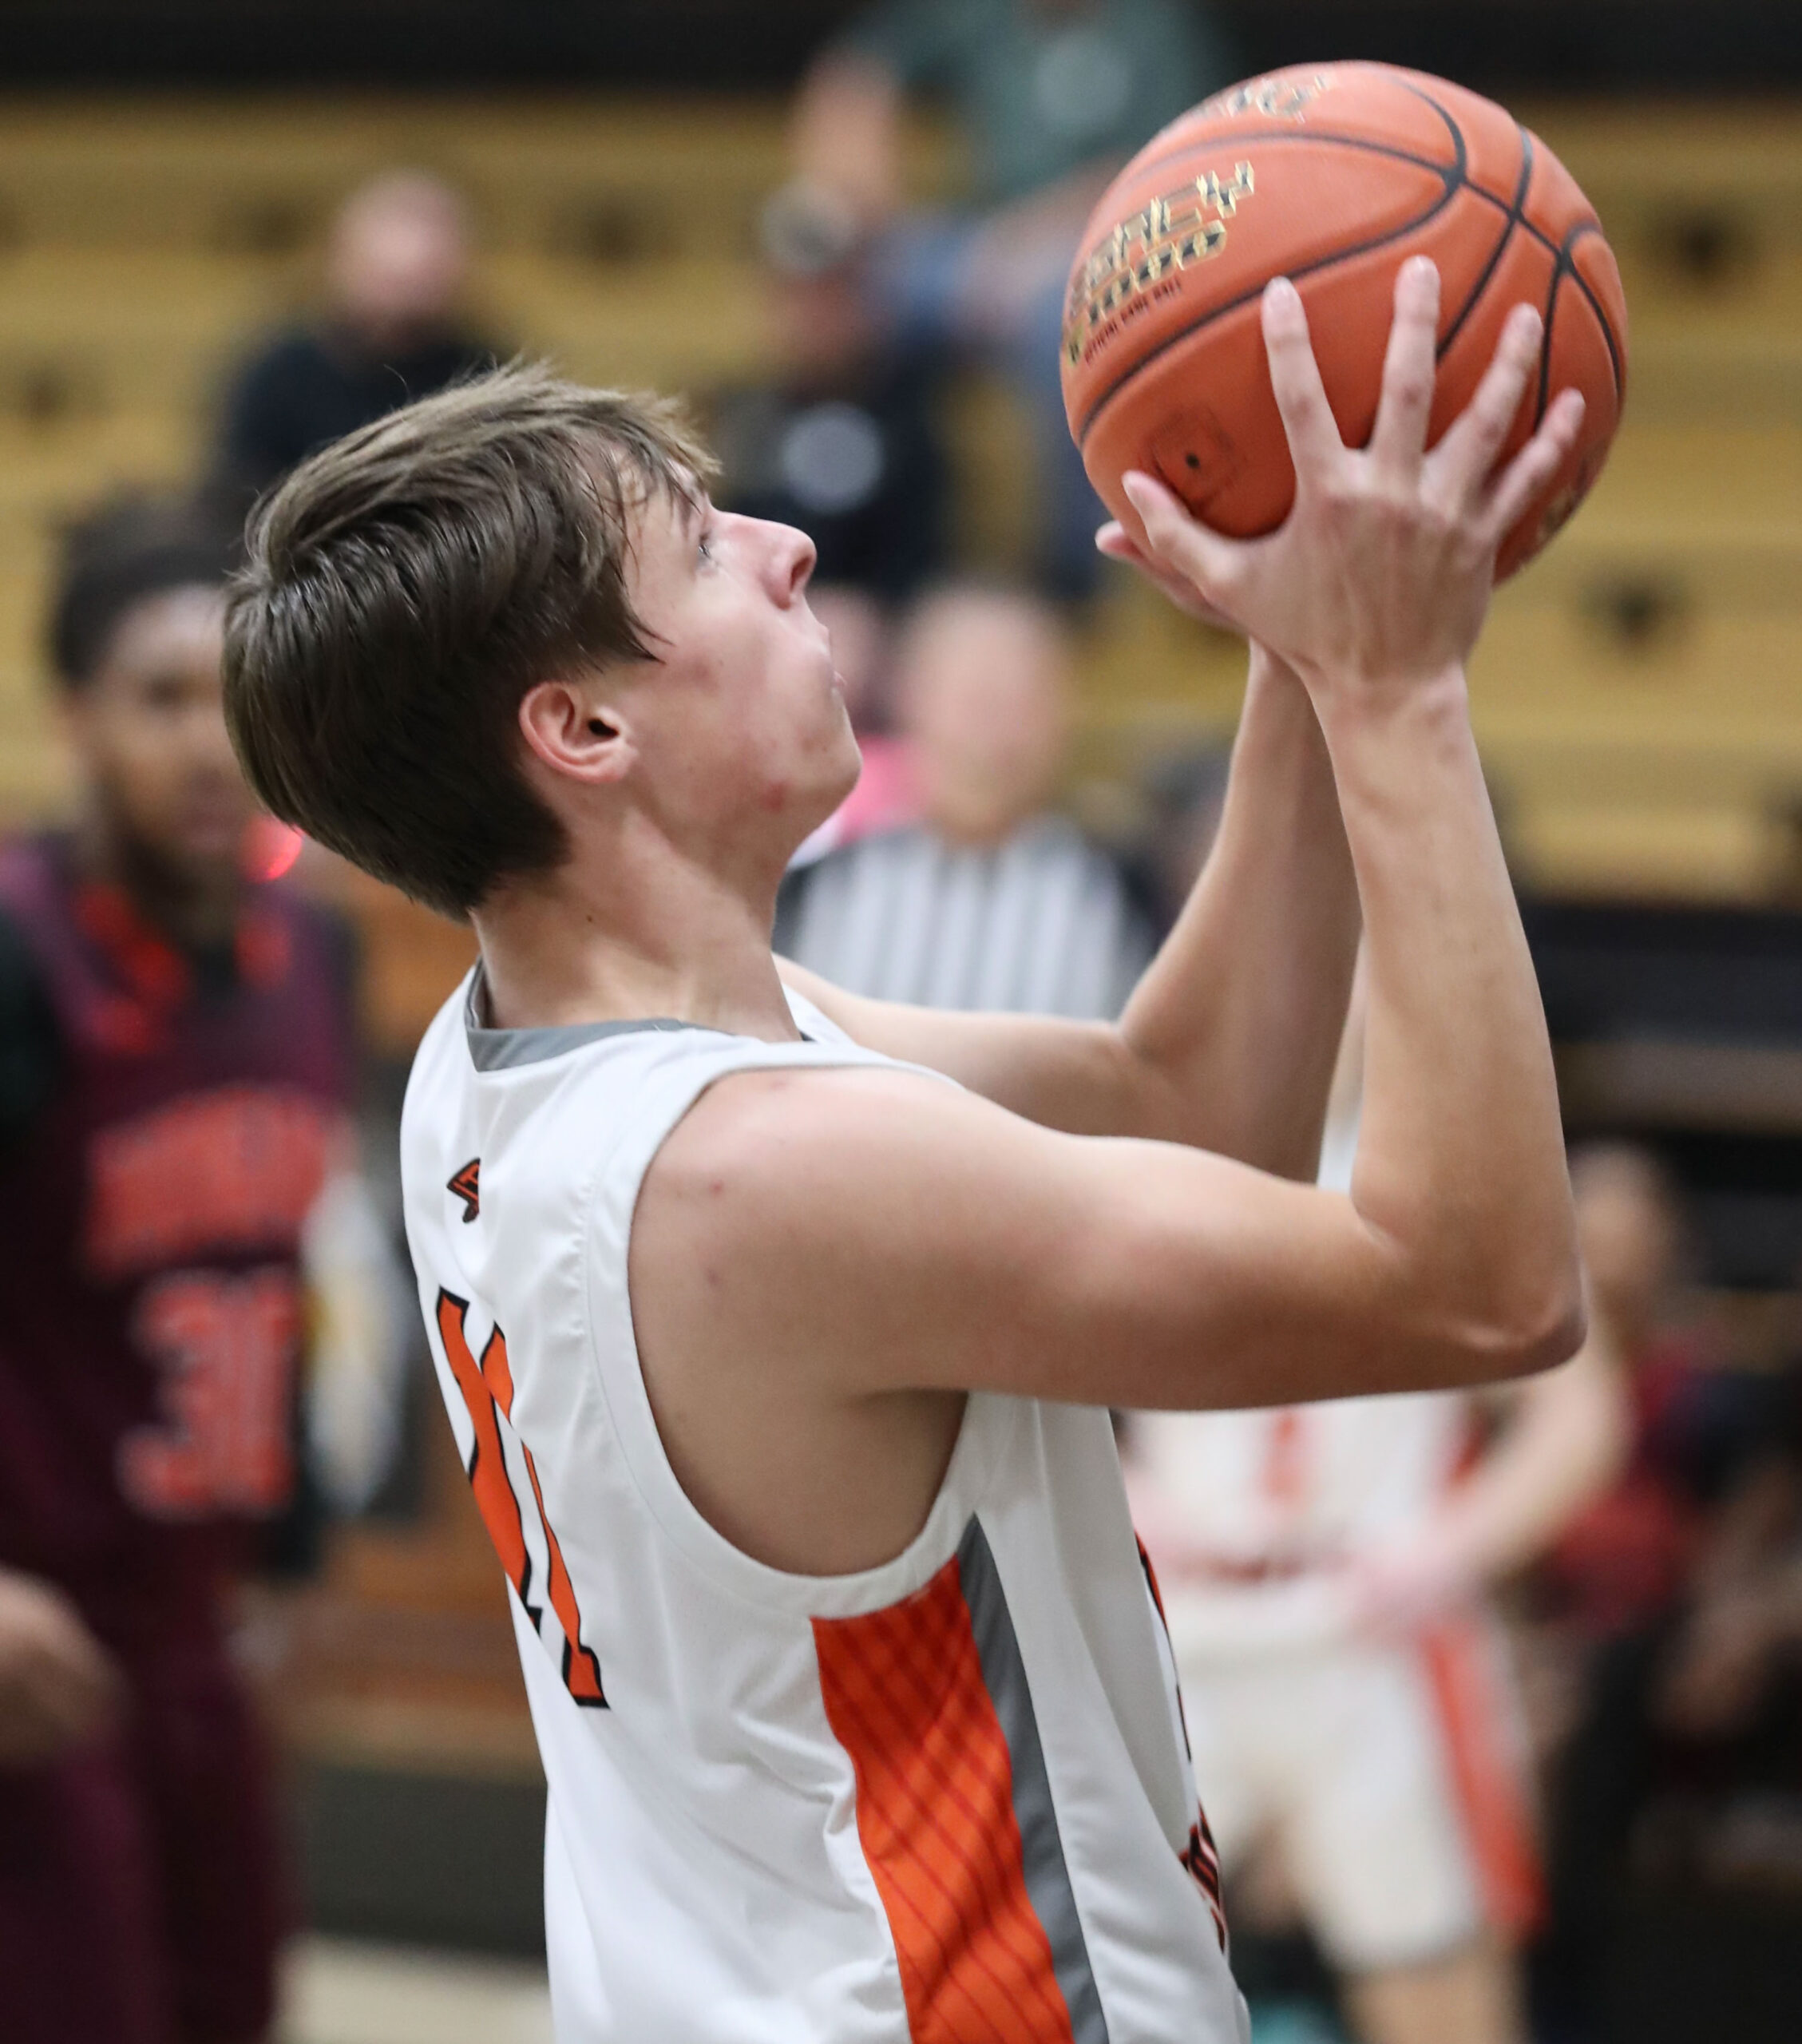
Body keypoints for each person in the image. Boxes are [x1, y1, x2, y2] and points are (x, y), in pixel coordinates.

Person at [221, 260, 1589, 2042]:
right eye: (702, 546)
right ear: (584, 729)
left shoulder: (502, 1062)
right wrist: (1400, 694)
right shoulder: (760, 1172)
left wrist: (1303, 640)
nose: (789, 546)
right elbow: (1484, 1288)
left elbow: (1194, 1104)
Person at [0, 500, 362, 2042]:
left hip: (198, 1623)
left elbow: (281, 1292)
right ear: (76, 719)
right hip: (37, 1631)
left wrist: (293, 1562)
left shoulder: (316, 954)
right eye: (159, 699)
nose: (210, 747)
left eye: (233, 698)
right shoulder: (19, 953)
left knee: (230, 2001)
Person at [1125, 969, 1629, 2044]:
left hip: (1372, 1633)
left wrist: (1447, 1548)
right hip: (1182, 1631)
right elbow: (1021, 1370)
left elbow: (1580, 1415)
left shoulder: (1462, 1171)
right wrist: (1124, 1500)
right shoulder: (1143, 1137)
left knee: (1435, 1991)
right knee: (1106, 1985)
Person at [791, 0, 1235, 596]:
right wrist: (855, 196)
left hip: (1107, 257)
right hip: (983, 243)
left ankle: (1080, 576)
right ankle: (862, 546)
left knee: (1062, 325)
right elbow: (859, 72)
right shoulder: (980, 16)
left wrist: (1030, 243)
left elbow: (1170, 164)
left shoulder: (1153, 28)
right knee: (855, 293)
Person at [776, 580, 1156, 1014]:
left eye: (1018, 699)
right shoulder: (821, 883)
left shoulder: (1120, 896)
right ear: (907, 700)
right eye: (974, 698)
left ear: (1064, 713)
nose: (992, 730)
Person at [212, 171, 496, 512]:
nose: (402, 301)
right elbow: (238, 501)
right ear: (343, 263)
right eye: (390, 280)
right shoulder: (278, 377)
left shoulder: (488, 376)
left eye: (423, 280)